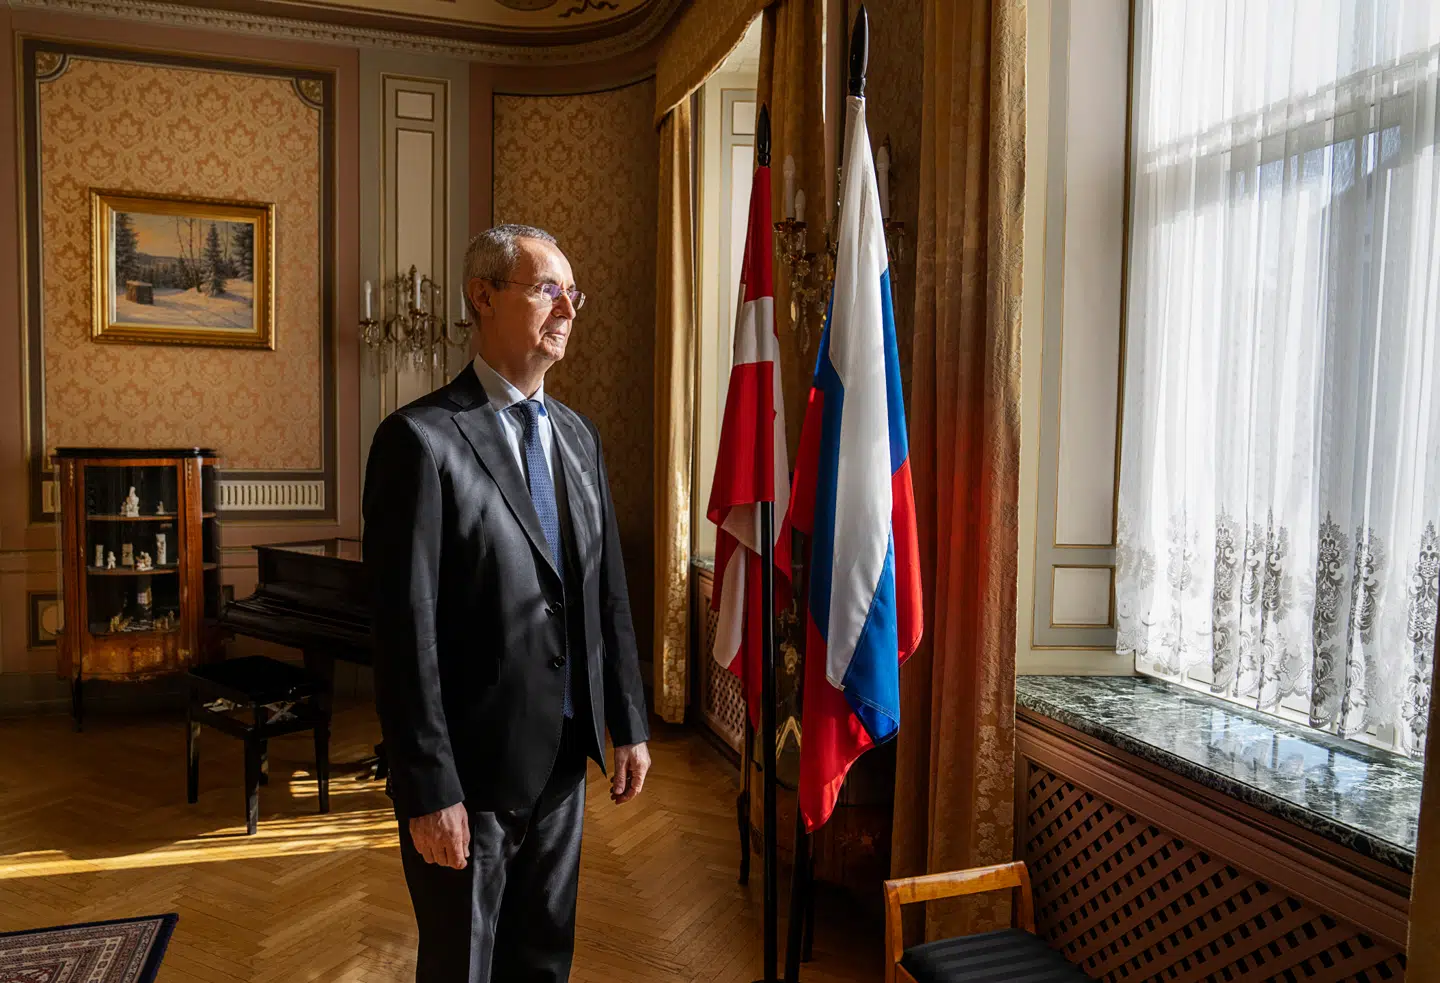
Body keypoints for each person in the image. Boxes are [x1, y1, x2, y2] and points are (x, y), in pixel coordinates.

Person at [362, 224, 652, 983]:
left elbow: (605, 588)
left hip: (562, 764)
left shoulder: (580, 438)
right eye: (547, 288)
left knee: (543, 962)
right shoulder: (420, 441)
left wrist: (627, 721)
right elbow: (404, 635)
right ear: (482, 296)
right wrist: (429, 789)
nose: (567, 308)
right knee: (463, 967)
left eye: (572, 293)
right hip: (469, 775)